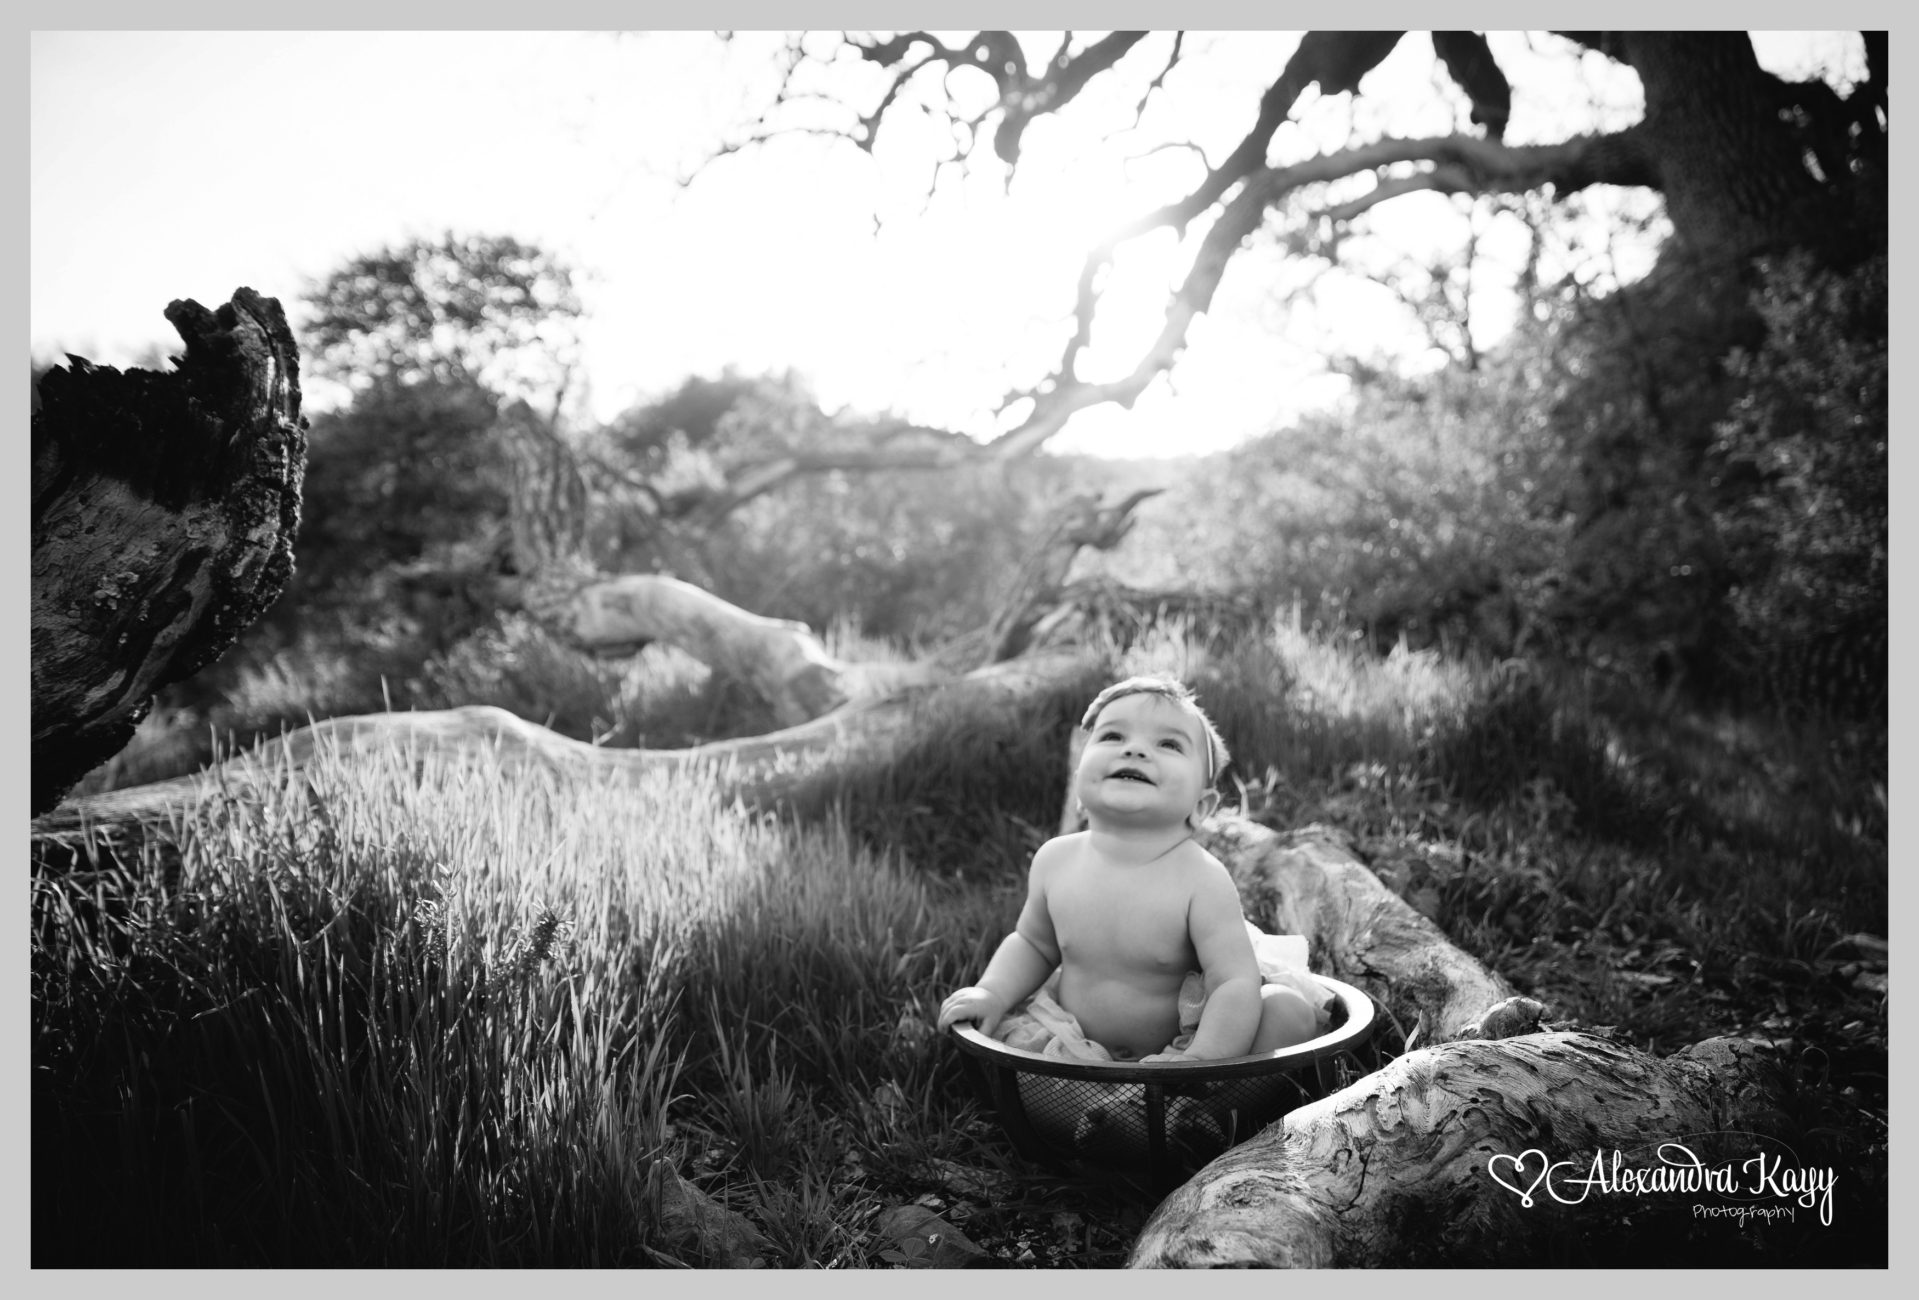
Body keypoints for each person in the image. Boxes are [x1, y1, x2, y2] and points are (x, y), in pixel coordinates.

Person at [937, 674, 1321, 1062]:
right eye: (1112, 736)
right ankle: (1105, 1099)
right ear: (1079, 784)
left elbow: (1232, 981)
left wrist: (1202, 1060)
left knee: (1287, 1012)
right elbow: (1033, 944)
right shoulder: (1055, 860)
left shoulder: (1201, 879)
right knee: (1019, 1056)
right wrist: (992, 992)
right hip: (1074, 1050)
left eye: (1168, 744)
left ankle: (1202, 1096)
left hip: (1186, 1051)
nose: (1134, 750)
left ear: (1201, 806)